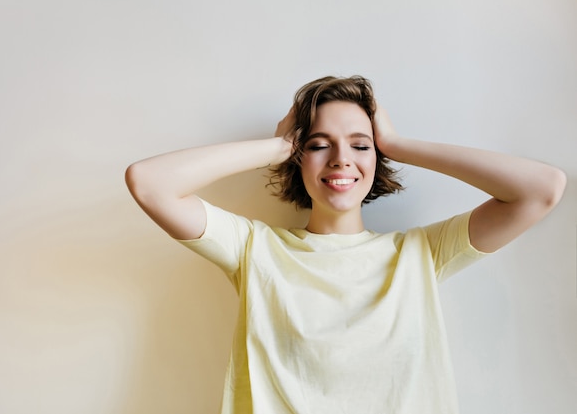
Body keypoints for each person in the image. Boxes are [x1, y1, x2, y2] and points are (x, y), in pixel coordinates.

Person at [125, 76, 566, 414]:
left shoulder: (421, 253)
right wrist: (278, 144)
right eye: (319, 144)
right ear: (298, 158)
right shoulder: (254, 248)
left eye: (360, 145)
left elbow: (542, 189)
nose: (341, 158)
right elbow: (149, 183)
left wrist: (397, 144)